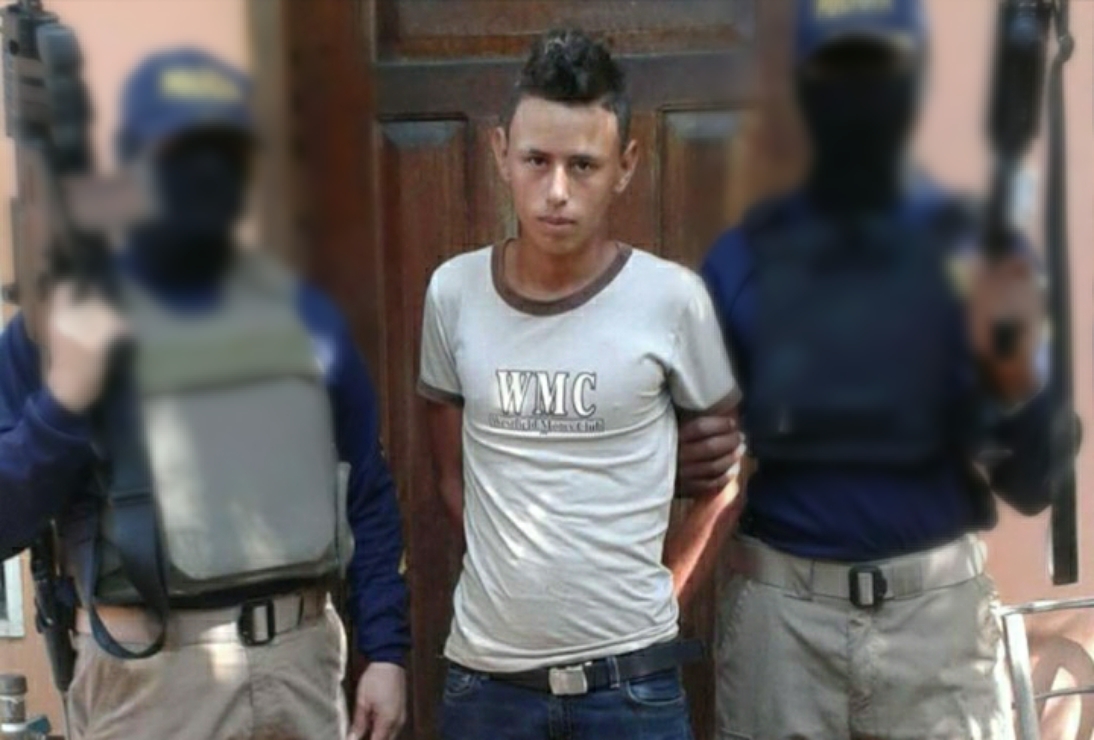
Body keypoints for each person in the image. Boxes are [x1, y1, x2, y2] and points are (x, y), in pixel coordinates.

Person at [0, 49, 408, 740]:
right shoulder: (65, 321)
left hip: (301, 667)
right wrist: (65, 401)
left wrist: (387, 651)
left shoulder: (306, 318)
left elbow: (366, 490)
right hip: (151, 680)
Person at [696, 1, 1059, 738]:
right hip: (784, 634)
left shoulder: (979, 252)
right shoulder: (740, 262)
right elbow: (695, 463)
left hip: (938, 634)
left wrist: (1015, 380)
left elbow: (1034, 480)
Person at [418, 28, 745, 740]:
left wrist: (665, 593)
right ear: (500, 153)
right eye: (536, 160)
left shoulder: (673, 301)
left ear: (626, 166)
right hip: (487, 686)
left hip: (631, 690)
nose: (557, 192)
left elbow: (724, 478)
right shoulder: (453, 293)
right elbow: (449, 474)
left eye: (584, 165)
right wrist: (516, 584)